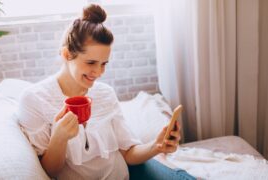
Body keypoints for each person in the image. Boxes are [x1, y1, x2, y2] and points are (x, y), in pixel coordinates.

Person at [17, 4, 195, 180]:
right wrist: (59, 137)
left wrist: (157, 146)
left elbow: (128, 153)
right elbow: (49, 172)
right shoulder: (35, 99)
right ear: (66, 54)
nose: (99, 72)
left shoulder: (105, 93)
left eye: (104, 64)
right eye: (91, 63)